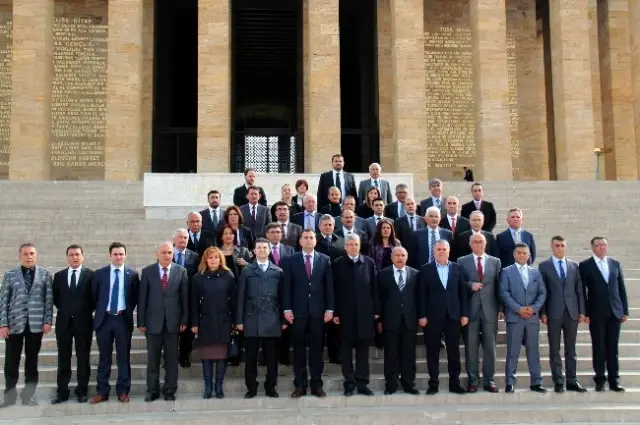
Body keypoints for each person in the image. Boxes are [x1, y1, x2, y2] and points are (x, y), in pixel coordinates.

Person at [283, 229, 335, 398]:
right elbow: (287, 287)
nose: (308, 240)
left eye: (311, 237)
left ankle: (316, 385)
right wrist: (287, 308)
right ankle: (300, 385)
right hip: (297, 313)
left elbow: (329, 287)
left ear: (315, 241)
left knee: (317, 351)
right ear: (300, 241)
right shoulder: (291, 260)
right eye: (305, 237)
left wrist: (330, 308)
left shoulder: (325, 260)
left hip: (319, 313)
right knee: (298, 350)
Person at [0, 243, 53, 408]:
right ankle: (9, 397)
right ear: (19, 256)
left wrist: (47, 320)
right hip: (14, 324)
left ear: (36, 256)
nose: (29, 256)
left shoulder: (45, 275)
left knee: (32, 362)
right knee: (11, 362)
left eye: (31, 253)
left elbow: (48, 300)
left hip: (36, 325)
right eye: (25, 254)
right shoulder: (10, 275)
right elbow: (3, 301)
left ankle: (28, 397)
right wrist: (3, 324)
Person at [138, 242, 189, 402]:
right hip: (153, 323)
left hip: (173, 323)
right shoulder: (147, 272)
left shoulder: (181, 271)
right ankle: (152, 390)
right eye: (164, 252)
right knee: (153, 359)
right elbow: (142, 298)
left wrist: (184, 319)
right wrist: (141, 321)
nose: (167, 255)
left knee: (171, 360)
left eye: (169, 252)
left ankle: (169, 390)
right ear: (157, 254)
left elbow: (184, 298)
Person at [90, 242, 140, 404]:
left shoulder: (132, 274)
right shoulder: (100, 274)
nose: (118, 257)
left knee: (123, 357)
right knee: (104, 357)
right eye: (115, 254)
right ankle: (102, 391)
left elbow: (134, 297)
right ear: (109, 256)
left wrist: (124, 311)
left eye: (121, 254)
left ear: (125, 255)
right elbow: (94, 296)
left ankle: (123, 391)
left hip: (122, 320)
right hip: (104, 320)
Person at [418, 240, 468, 395]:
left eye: (444, 249)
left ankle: (455, 383)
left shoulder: (457, 268)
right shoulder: (425, 270)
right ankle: (433, 383)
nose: (441, 251)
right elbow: (422, 295)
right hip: (432, 317)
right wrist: (422, 315)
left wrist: (464, 314)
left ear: (448, 250)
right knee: (432, 351)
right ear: (434, 251)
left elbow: (463, 294)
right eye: (438, 249)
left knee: (454, 351)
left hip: (453, 316)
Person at [579, 236, 628, 392]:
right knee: (599, 346)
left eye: (604, 245)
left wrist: (624, 310)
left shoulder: (615, 264)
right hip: (596, 312)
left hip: (615, 312)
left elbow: (621, 288)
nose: (602, 247)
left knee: (613, 348)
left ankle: (614, 380)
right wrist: (584, 312)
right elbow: (582, 292)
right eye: (598, 245)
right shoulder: (585, 265)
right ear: (593, 248)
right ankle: (600, 379)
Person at [333, 234, 380, 396]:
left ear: (360, 246)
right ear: (345, 246)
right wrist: (335, 312)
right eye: (350, 244)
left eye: (356, 244)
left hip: (365, 315)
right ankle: (349, 383)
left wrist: (376, 310)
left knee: (363, 352)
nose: (353, 247)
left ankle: (362, 383)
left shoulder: (369, 263)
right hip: (345, 316)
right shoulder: (338, 264)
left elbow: (374, 288)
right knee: (345, 352)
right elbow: (334, 290)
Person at [236, 238, 284, 398]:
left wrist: (283, 320)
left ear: (269, 250)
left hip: (272, 318)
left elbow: (282, 297)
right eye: (259, 248)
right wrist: (239, 320)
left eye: (265, 247)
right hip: (251, 318)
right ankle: (251, 387)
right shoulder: (247, 271)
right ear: (254, 251)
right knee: (250, 357)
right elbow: (240, 296)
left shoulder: (277, 271)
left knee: (271, 357)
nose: (262, 250)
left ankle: (271, 386)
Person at [539, 236, 587, 393]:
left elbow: (579, 290)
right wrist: (543, 312)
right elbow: (543, 291)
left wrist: (581, 311)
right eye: (557, 246)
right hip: (553, 312)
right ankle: (558, 381)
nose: (560, 248)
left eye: (562, 245)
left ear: (565, 247)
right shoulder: (544, 266)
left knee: (571, 349)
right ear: (552, 247)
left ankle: (572, 380)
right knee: (554, 349)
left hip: (571, 312)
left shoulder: (574, 266)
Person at [457, 234, 503, 393]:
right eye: (475, 241)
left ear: (485, 243)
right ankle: (473, 380)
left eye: (481, 242)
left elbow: (499, 286)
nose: (478, 244)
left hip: (490, 310)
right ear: (470, 244)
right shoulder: (462, 261)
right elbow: (459, 284)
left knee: (490, 347)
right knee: (471, 347)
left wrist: (501, 308)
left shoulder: (495, 261)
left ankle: (489, 380)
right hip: (470, 310)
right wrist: (470, 285)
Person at [499, 243, 547, 393]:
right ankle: (510, 382)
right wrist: (518, 309)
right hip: (515, 317)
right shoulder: (506, 272)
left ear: (529, 255)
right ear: (514, 255)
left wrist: (533, 309)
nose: (522, 255)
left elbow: (542, 293)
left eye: (524, 253)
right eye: (519, 253)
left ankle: (536, 382)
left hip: (532, 318)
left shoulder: (535, 272)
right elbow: (504, 292)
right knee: (513, 351)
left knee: (533, 351)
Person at [51, 245, 95, 404]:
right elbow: (56, 298)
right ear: (67, 257)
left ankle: (82, 391)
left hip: (84, 322)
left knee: (83, 358)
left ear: (82, 256)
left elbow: (94, 298)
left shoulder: (91, 275)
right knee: (63, 358)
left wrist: (82, 311)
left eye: (77, 254)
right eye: (71, 255)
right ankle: (62, 391)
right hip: (64, 323)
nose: (74, 257)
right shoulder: (59, 276)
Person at [191, 247, 236, 399]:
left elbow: (234, 301)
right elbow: (194, 303)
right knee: (207, 356)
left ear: (220, 259)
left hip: (223, 321)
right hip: (205, 321)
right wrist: (195, 323)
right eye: (210, 258)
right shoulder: (198, 277)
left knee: (221, 356)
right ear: (205, 260)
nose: (213, 260)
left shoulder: (228, 276)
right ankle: (208, 386)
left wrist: (235, 322)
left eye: (216, 257)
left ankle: (219, 386)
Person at [378, 247, 420, 395]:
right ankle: (391, 384)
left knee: (409, 355)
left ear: (407, 257)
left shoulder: (415, 274)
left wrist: (420, 316)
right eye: (397, 255)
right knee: (391, 355)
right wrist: (380, 319)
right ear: (392, 257)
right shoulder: (383, 274)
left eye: (403, 255)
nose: (400, 257)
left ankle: (409, 384)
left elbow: (419, 298)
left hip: (409, 320)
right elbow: (380, 299)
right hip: (390, 320)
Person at [219, 224, 252, 366]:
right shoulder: (216, 251)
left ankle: (236, 354)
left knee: (237, 322)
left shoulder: (243, 251)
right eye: (225, 233)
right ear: (221, 236)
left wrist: (246, 264)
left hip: (238, 292)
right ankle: (224, 353)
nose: (228, 236)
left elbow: (254, 271)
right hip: (220, 293)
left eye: (230, 233)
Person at [265, 222, 295, 365]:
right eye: (273, 232)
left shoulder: (290, 250)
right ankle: (267, 357)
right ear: (267, 235)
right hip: (268, 292)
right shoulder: (262, 249)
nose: (276, 234)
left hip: (286, 291)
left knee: (285, 325)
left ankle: (284, 356)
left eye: (278, 232)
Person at [172, 228, 200, 368]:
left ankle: (184, 355)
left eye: (185, 237)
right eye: (180, 237)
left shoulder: (194, 256)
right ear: (174, 239)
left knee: (187, 332)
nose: (183, 240)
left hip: (188, 298)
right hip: (171, 298)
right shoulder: (167, 254)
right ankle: (170, 357)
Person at [392, 197, 425, 267]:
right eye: (408, 204)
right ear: (404, 207)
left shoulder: (423, 220)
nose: (410, 206)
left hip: (421, 255)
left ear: (416, 205)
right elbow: (397, 238)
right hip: (406, 256)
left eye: (412, 204)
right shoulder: (398, 221)